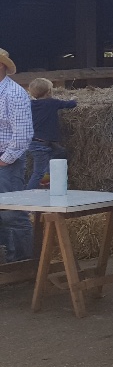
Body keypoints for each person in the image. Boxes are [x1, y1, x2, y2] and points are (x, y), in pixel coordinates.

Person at [0, 48, 33, 262]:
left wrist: (5, 159)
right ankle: (9, 260)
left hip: (6, 162)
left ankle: (26, 263)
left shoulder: (13, 93)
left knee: (12, 213)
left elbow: (23, 134)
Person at [25, 78, 76, 190]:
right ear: (49, 92)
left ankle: (46, 185)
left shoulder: (30, 104)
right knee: (39, 172)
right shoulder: (52, 102)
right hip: (41, 144)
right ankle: (27, 195)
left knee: (60, 153)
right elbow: (70, 104)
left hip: (37, 142)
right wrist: (74, 99)